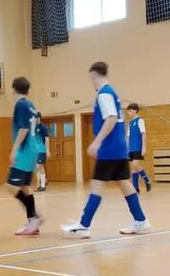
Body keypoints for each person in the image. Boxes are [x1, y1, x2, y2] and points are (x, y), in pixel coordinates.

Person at [62, 62, 150, 238]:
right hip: (119, 147)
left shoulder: (104, 94)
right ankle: (141, 221)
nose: (91, 83)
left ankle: (84, 225)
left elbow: (111, 118)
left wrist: (96, 142)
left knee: (97, 184)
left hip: (109, 148)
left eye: (91, 79)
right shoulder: (113, 93)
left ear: (95, 76)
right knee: (124, 183)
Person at [6, 76, 43, 236]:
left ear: (14, 89)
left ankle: (35, 217)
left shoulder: (20, 104)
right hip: (32, 148)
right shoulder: (31, 105)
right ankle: (32, 222)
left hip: (25, 149)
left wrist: (14, 149)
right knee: (25, 186)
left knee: (10, 186)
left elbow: (23, 129)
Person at [127, 103, 152, 194]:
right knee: (133, 168)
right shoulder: (130, 123)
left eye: (130, 111)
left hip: (138, 147)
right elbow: (128, 136)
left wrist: (143, 147)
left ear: (135, 111)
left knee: (135, 165)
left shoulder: (140, 120)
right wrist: (127, 148)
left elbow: (143, 134)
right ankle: (136, 188)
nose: (128, 113)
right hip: (131, 148)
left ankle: (147, 180)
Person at [35, 114, 49, 192]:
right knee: (38, 167)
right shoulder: (34, 127)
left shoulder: (43, 127)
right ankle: (41, 184)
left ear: (39, 118)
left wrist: (47, 150)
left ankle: (43, 185)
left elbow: (47, 139)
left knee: (40, 166)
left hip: (42, 150)